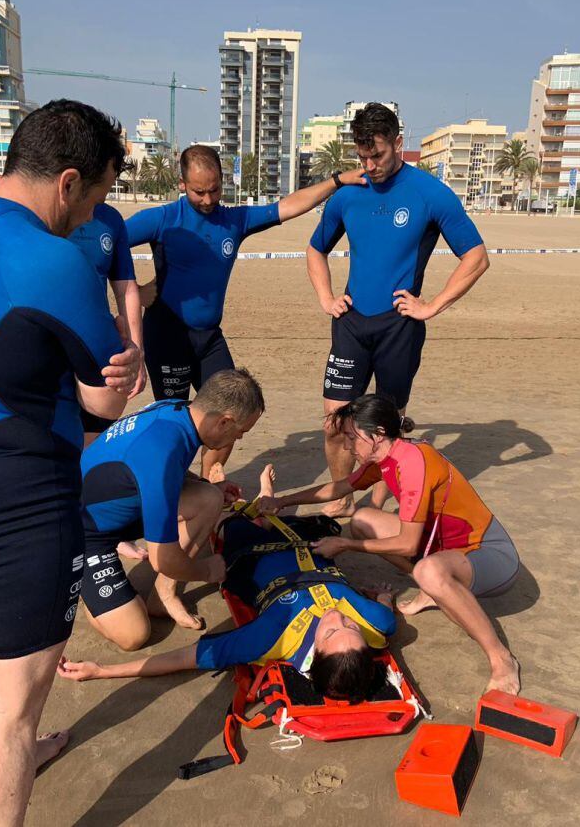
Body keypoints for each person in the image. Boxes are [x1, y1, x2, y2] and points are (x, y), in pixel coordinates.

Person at [0, 100, 142, 827]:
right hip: (18, 499)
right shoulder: (54, 260)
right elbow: (103, 405)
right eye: (99, 198)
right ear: (69, 182)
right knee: (13, 705)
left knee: (0, 640)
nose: (93, 220)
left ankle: (20, 745)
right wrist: (126, 371)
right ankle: (12, 750)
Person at [127, 144, 366, 478]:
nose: (208, 200)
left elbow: (288, 206)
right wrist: (135, 292)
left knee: (233, 410)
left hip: (209, 337)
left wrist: (337, 181)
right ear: (182, 183)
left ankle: (210, 481)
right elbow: (102, 247)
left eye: (214, 190)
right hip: (167, 336)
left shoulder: (234, 221)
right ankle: (175, 488)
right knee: (175, 421)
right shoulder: (163, 219)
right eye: (198, 192)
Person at [256, 394, 521, 695]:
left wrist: (344, 545)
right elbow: (340, 487)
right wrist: (284, 500)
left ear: (378, 434)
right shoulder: (384, 456)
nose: (346, 446)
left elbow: (408, 544)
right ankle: (433, 589)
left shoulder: (413, 463)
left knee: (428, 571)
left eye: (351, 438)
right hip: (446, 548)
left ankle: (501, 658)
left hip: (489, 553)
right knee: (363, 520)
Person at [307, 103, 491, 516]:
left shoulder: (429, 193)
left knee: (387, 428)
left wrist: (432, 306)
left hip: (399, 327)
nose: (370, 165)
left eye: (378, 155)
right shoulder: (349, 194)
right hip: (351, 323)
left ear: (398, 143)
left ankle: (376, 503)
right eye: (362, 157)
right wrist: (326, 297)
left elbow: (476, 257)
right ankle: (340, 500)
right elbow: (315, 249)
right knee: (336, 420)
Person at [59, 492, 397, 704]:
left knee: (230, 516)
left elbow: (184, 658)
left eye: (330, 632)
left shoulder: (274, 637)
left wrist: (102, 670)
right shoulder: (376, 624)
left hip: (249, 551)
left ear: (314, 651)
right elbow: (385, 610)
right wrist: (382, 597)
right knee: (301, 521)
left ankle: (233, 503)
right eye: (348, 624)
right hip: (307, 545)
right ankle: (263, 499)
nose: (337, 616)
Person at [79, 368, 264, 647]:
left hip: (118, 504)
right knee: (133, 635)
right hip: (84, 532)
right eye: (241, 432)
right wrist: (206, 570)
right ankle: (81, 581)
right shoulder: (163, 450)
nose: (238, 440)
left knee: (208, 497)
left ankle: (163, 596)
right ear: (224, 422)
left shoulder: (179, 411)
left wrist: (204, 483)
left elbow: (159, 471)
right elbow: (162, 560)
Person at [68, 202, 146, 445]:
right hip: (47, 342)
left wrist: (137, 355)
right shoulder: (43, 211)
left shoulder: (110, 218)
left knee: (95, 435)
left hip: (96, 344)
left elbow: (126, 289)